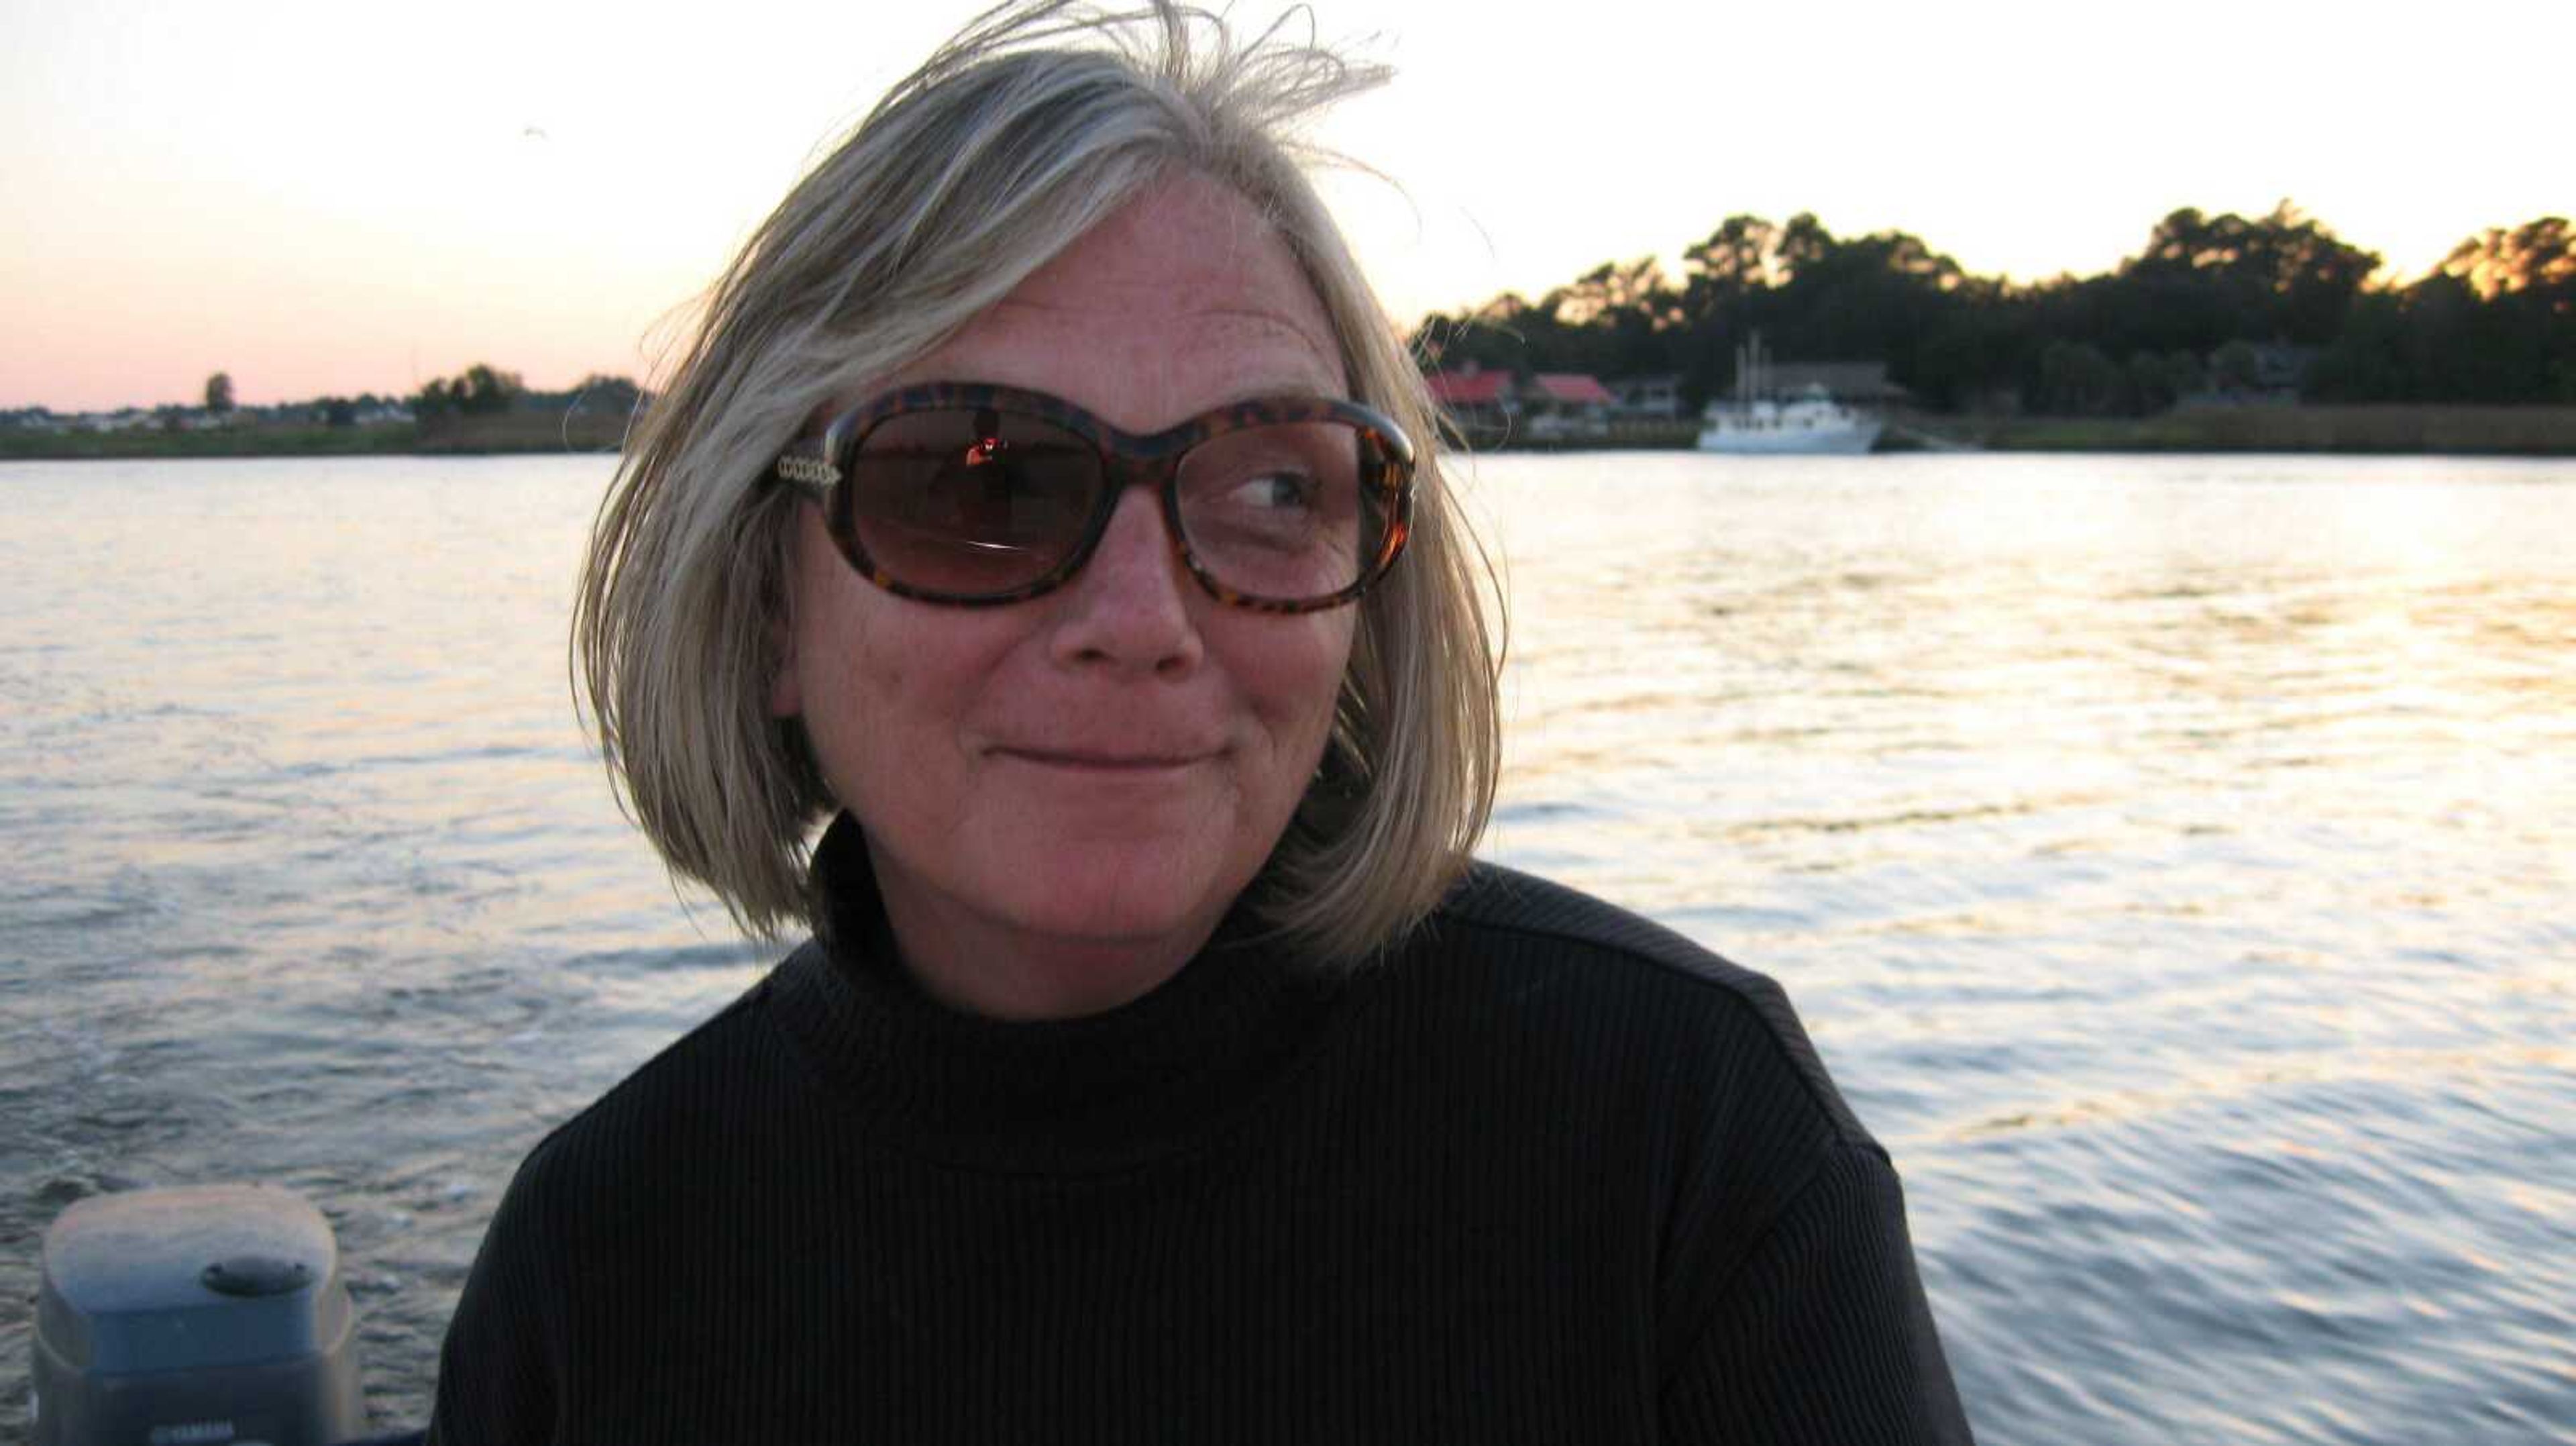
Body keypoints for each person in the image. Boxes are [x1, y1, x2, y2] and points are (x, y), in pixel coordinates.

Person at [427, 3, 1976, 1441]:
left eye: (1272, 488)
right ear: (771, 605)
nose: (1145, 621)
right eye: (980, 483)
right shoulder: (602, 1258)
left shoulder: (1685, 1139)